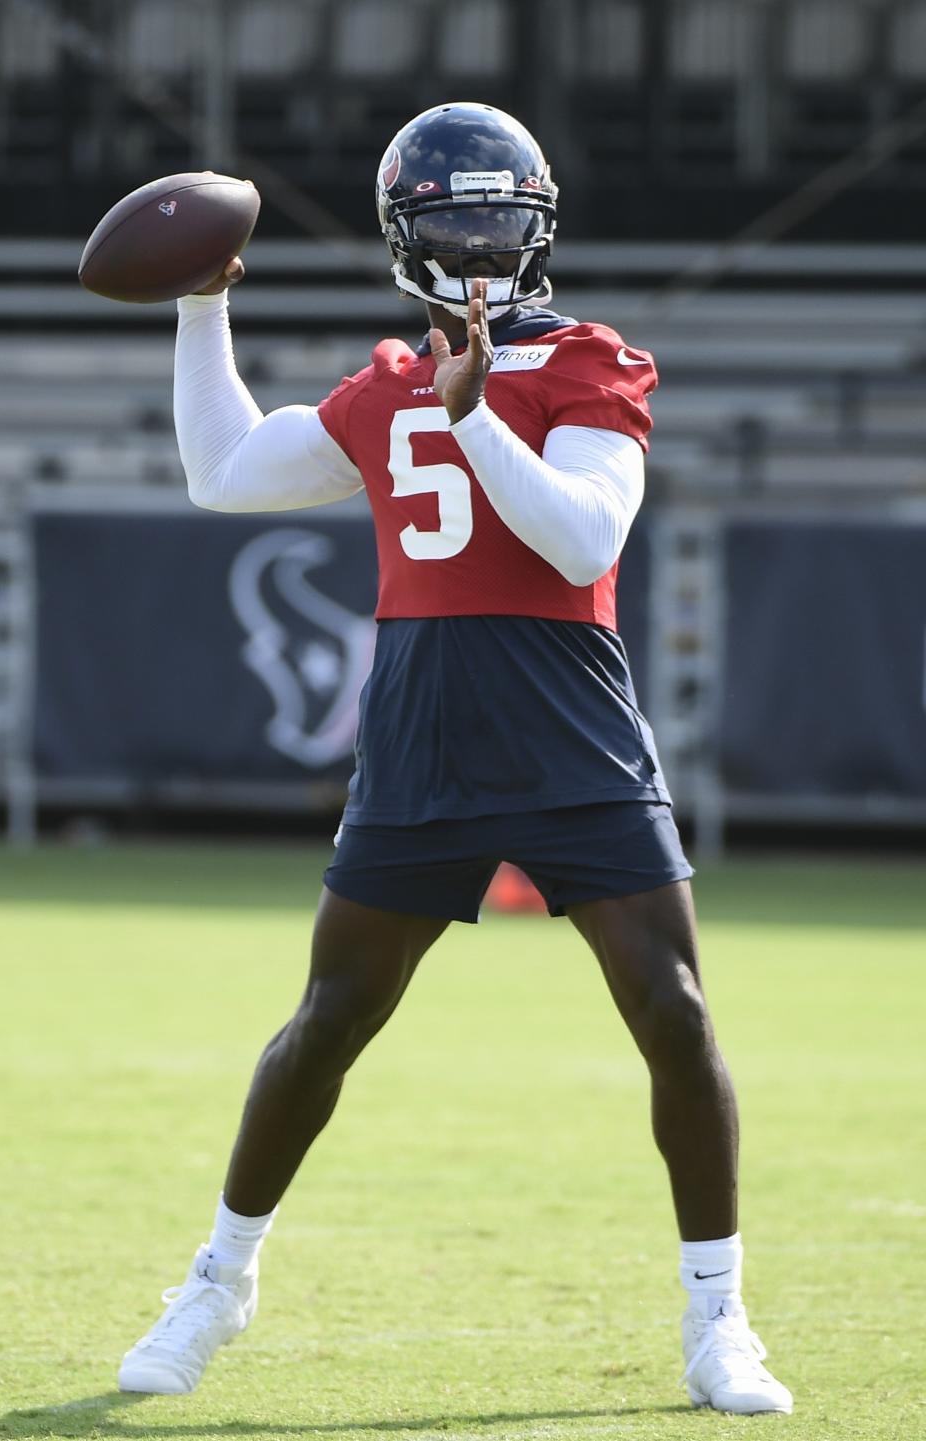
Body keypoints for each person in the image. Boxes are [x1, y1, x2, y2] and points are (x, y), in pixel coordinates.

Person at [118, 102, 792, 1416]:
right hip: (424, 722)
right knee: (326, 1024)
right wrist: (202, 304)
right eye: (458, 225)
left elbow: (584, 541)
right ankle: (219, 1280)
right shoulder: (380, 385)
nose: (482, 250)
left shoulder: (593, 364)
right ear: (407, 242)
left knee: (674, 1008)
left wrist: (476, 417)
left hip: (566, 716)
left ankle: (720, 1319)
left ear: (539, 231)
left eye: (502, 223)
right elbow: (224, 473)